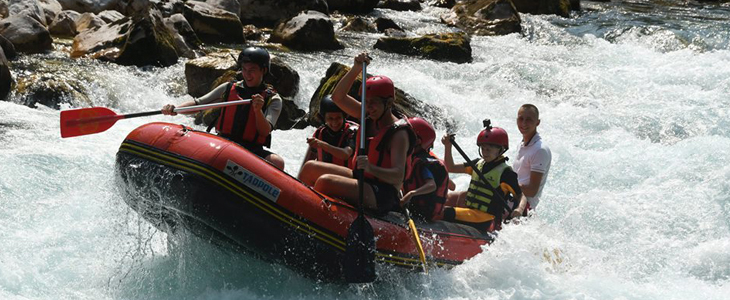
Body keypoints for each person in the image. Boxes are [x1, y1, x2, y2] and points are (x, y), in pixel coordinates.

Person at [298, 52, 415, 215]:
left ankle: (310, 217)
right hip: (362, 177)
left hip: (383, 192)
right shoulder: (367, 114)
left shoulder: (398, 134)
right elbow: (337, 97)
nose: (368, 107)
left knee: (325, 182)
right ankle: (295, 208)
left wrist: (370, 167)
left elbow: (397, 176)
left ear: (388, 103)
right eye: (366, 101)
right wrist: (356, 68)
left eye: (373, 102)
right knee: (310, 168)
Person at [161, 47, 285, 170]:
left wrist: (258, 111)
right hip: (223, 142)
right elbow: (199, 104)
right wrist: (175, 109)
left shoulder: (273, 99)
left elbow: (264, 131)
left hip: (251, 150)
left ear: (263, 70)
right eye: (244, 69)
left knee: (277, 162)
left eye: (252, 70)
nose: (247, 74)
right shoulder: (228, 88)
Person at [439, 121, 522, 232]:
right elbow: (450, 167)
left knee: (442, 212)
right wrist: (448, 146)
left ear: (501, 150)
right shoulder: (478, 164)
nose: (485, 152)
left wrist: (519, 209)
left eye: (489, 149)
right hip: (471, 213)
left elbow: (522, 194)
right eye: (483, 148)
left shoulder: (506, 173)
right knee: (438, 207)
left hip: (486, 219)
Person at [401, 117, 450, 222]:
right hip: (411, 205)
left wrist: (411, 194)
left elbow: (432, 185)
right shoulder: (410, 157)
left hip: (423, 212)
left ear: (418, 141)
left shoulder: (423, 164)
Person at [510, 104, 551, 218]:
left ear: (537, 122)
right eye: (521, 119)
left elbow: (532, 190)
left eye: (528, 120)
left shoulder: (540, 150)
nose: (523, 123)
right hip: (512, 197)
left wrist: (507, 184)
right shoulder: (522, 144)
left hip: (524, 207)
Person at [298, 95, 358, 170]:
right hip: (325, 176)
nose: (334, 122)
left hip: (346, 176)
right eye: (330, 118)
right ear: (324, 119)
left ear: (344, 117)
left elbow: (346, 154)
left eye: (338, 118)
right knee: (309, 166)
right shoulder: (319, 133)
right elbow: (307, 162)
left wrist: (323, 145)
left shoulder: (353, 131)